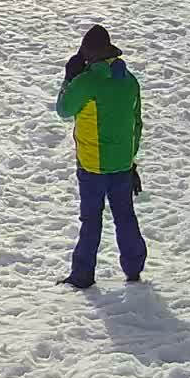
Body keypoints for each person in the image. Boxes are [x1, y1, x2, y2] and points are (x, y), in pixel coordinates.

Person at [55, 25, 145, 288]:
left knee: (91, 220)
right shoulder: (129, 81)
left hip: (93, 165)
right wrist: (131, 161)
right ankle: (134, 269)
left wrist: (68, 79)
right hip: (122, 164)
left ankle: (83, 274)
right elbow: (136, 124)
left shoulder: (86, 82)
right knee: (125, 217)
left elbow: (63, 109)